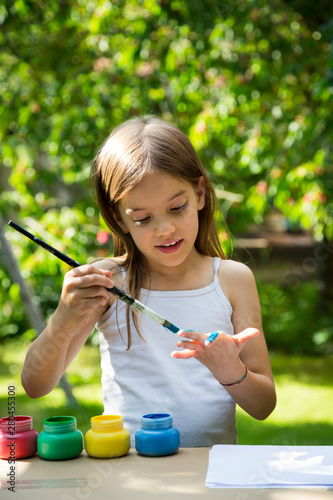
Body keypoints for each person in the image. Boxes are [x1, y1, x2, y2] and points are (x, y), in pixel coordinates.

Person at [21, 115, 276, 447]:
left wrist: (231, 371)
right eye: (142, 218)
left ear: (199, 193)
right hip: (127, 465)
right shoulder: (107, 282)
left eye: (176, 208)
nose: (164, 229)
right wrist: (62, 320)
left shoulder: (232, 280)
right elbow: (35, 386)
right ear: (118, 219)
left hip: (211, 472)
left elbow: (263, 405)